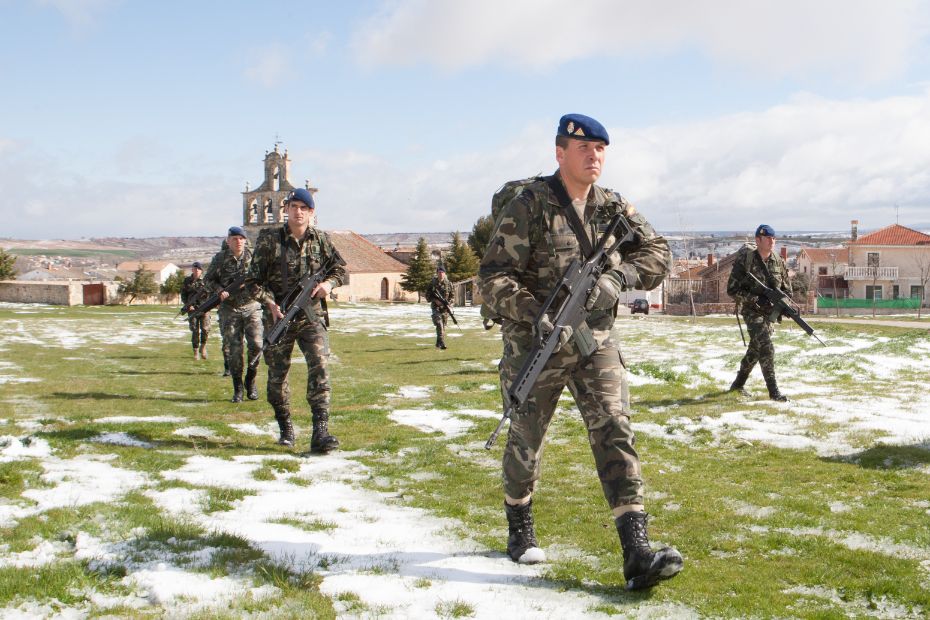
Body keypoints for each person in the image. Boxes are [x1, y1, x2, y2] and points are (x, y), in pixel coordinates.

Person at [478, 113, 683, 590]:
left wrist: (618, 278)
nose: (594, 156)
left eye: (600, 148)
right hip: (537, 345)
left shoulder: (614, 208)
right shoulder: (529, 205)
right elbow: (492, 277)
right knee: (526, 438)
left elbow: (658, 253)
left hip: (596, 344)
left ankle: (636, 551)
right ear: (559, 153)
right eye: (584, 148)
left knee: (615, 428)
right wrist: (533, 310)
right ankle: (519, 527)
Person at [246, 188, 347, 451]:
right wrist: (269, 302)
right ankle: (286, 427)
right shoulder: (270, 240)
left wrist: (328, 284)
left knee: (320, 366)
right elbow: (252, 282)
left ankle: (321, 432)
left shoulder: (321, 240)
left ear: (311, 212)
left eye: (304, 207)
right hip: (279, 317)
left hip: (312, 316)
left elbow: (340, 270)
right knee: (277, 377)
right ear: (286, 209)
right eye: (293, 206)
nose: (298, 212)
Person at [726, 224, 792, 402]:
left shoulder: (778, 262)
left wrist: (785, 306)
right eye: (768, 238)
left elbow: (787, 290)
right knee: (766, 348)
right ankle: (774, 392)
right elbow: (732, 290)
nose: (772, 241)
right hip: (751, 312)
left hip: (770, 315)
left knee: (755, 350)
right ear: (758, 240)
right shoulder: (746, 261)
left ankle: (738, 385)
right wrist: (754, 299)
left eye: (773, 238)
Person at [205, 226, 263, 403]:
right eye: (234, 238)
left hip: (251, 306)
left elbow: (265, 277)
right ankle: (238, 388)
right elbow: (208, 280)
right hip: (229, 309)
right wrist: (219, 290)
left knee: (257, 345)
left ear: (245, 240)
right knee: (234, 351)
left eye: (241, 238)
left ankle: (250, 381)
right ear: (228, 241)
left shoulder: (254, 257)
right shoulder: (220, 258)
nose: (238, 241)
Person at [180, 261, 210, 360]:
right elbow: (183, 294)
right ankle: (196, 351)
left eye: (198, 269)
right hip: (192, 309)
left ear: (201, 271)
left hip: (204, 308)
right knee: (194, 330)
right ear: (192, 270)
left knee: (205, 329)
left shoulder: (206, 281)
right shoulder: (187, 281)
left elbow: (210, 294)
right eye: (194, 269)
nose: (196, 271)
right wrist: (188, 305)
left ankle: (203, 347)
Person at [425, 266, 454, 349]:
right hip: (435, 307)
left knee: (443, 326)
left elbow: (452, 296)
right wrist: (435, 300)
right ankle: (442, 343)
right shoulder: (432, 283)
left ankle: (438, 343)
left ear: (444, 273)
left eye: (442, 273)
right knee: (439, 324)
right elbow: (427, 296)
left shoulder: (449, 284)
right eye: (439, 273)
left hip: (445, 308)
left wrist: (449, 303)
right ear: (437, 273)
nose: (440, 274)